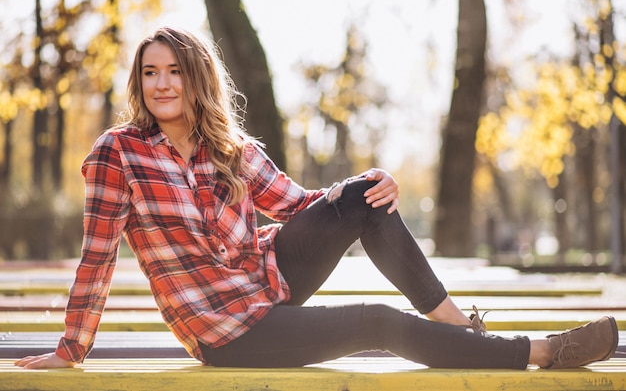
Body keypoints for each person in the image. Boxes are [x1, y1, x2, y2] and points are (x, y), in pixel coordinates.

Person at [15, 26, 618, 370]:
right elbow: (97, 258)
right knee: (375, 322)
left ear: (197, 78)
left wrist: (367, 188)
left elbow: (299, 205)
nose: (162, 84)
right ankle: (540, 351)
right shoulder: (118, 154)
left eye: (174, 70)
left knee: (363, 198)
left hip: (266, 281)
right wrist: (71, 349)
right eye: (150, 73)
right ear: (139, 83)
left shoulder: (228, 146)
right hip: (225, 331)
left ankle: (463, 330)